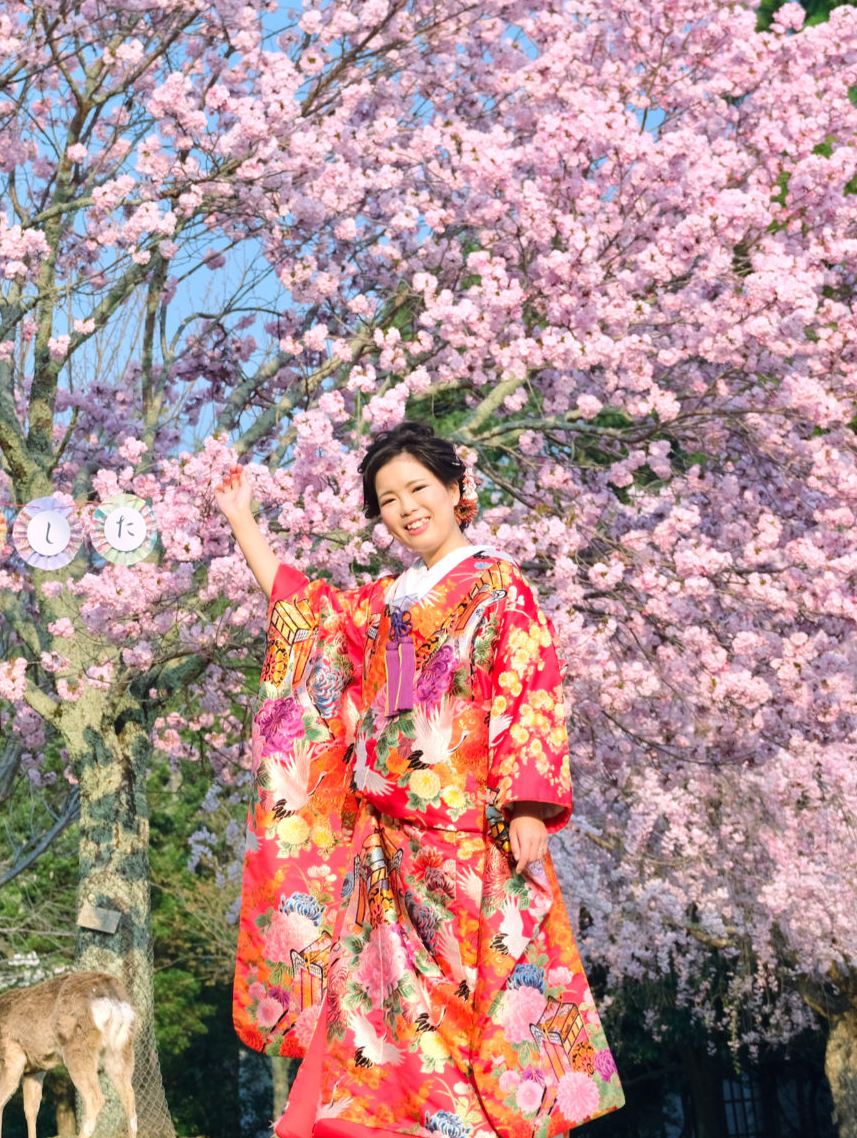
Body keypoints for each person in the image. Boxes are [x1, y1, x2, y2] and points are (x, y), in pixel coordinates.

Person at [215, 421, 623, 1138]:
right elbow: (305, 616)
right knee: (381, 1009)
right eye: (388, 499)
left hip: (470, 838)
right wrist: (242, 520)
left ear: (457, 491)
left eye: (418, 489)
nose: (406, 508)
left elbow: (526, 685)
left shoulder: (500, 587)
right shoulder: (387, 605)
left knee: (470, 1004)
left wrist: (529, 803)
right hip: (388, 848)